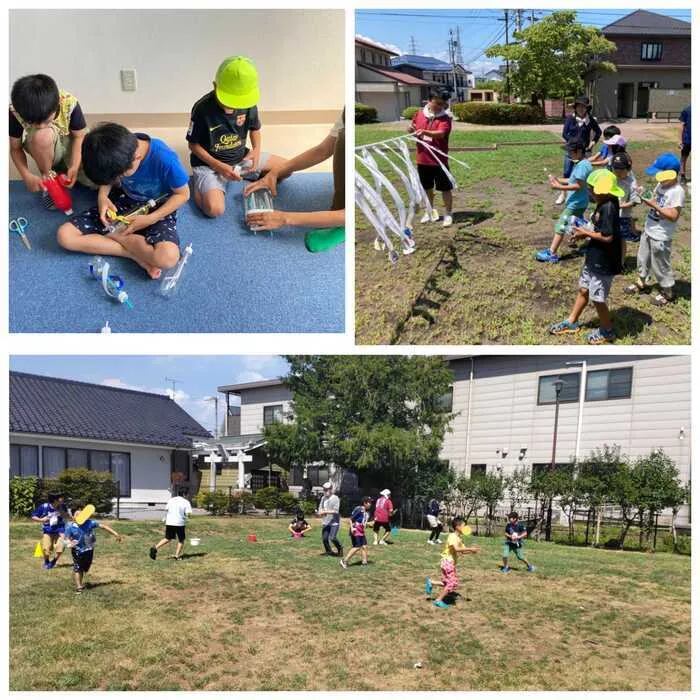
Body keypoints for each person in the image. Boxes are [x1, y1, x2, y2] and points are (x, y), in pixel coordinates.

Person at [56, 122, 190, 279]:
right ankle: (132, 254)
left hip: (157, 208)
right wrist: (102, 197)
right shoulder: (117, 148)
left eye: (119, 176)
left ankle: (118, 237)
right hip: (123, 201)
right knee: (65, 236)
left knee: (167, 258)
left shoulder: (165, 159)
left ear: (136, 158)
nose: (117, 179)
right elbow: (109, 179)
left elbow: (183, 194)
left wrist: (150, 219)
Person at [187, 56, 285, 218]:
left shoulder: (249, 104)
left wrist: (256, 151)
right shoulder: (202, 109)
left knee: (287, 168)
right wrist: (219, 166)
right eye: (228, 101)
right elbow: (193, 145)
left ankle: (250, 178)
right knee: (215, 210)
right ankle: (199, 187)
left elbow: (255, 129)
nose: (233, 107)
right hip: (210, 165)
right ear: (215, 86)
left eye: (238, 102)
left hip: (241, 159)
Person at [549, 169, 623, 344]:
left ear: (603, 190)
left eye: (592, 189)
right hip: (593, 256)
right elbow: (597, 229)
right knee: (583, 289)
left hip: (604, 261)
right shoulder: (602, 202)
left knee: (598, 298)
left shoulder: (609, 207)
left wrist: (585, 232)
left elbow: (608, 236)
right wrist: (584, 233)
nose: (589, 191)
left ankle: (607, 331)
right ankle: (572, 322)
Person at [243, 109, 345, 231]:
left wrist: (285, 218)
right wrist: (275, 172)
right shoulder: (347, 115)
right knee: (342, 138)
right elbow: (323, 150)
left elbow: (347, 214)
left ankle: (338, 224)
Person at [9, 74, 91, 206]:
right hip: (45, 146)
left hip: (71, 142)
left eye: (46, 120)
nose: (41, 126)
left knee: (94, 178)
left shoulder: (69, 103)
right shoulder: (16, 111)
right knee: (42, 135)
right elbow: (15, 148)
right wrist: (26, 175)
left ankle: (63, 171)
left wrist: (74, 166)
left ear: (57, 105)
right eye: (33, 123)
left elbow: (79, 137)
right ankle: (48, 177)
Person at [624, 153, 685, 307]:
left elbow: (673, 216)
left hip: (661, 236)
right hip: (649, 229)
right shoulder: (661, 185)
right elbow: (655, 200)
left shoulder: (677, 191)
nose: (657, 176)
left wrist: (654, 205)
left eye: (660, 173)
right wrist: (643, 194)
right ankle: (641, 282)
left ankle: (668, 292)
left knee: (660, 264)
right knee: (642, 258)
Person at [536, 139, 593, 262]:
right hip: (580, 202)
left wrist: (558, 187)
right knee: (577, 224)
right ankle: (591, 243)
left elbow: (578, 186)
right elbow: (573, 180)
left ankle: (552, 253)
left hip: (576, 203)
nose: (568, 154)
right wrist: (558, 179)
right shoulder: (582, 163)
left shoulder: (582, 166)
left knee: (561, 225)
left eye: (570, 152)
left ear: (578, 152)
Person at [409, 92, 454, 227]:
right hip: (422, 159)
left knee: (445, 188)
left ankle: (448, 213)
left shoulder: (445, 119)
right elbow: (412, 127)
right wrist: (410, 129)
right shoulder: (419, 114)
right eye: (438, 103)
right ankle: (429, 211)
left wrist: (425, 132)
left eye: (442, 104)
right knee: (427, 188)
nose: (440, 107)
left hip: (439, 160)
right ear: (430, 100)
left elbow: (440, 134)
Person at [63, 504, 123, 594]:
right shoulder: (70, 527)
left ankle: (81, 580)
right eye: (77, 515)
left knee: (85, 567)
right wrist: (69, 543)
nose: (80, 517)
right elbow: (66, 538)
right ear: (72, 517)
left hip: (89, 549)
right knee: (78, 568)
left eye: (82, 515)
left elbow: (103, 526)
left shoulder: (89, 523)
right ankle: (79, 587)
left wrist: (115, 534)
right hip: (77, 550)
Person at [425, 517, 480, 608]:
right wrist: (470, 548)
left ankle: (431, 582)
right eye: (464, 526)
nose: (465, 527)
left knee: (449, 582)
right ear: (458, 527)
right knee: (451, 583)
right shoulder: (452, 536)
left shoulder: (459, 538)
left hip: (450, 563)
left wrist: (472, 551)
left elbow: (462, 551)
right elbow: (456, 549)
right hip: (447, 562)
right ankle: (438, 600)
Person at [556, 96, 601, 205]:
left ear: (587, 108)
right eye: (579, 106)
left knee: (583, 173)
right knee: (567, 172)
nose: (581, 109)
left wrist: (593, 141)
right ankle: (563, 194)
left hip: (584, 152)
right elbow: (564, 133)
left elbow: (598, 132)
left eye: (583, 107)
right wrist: (572, 143)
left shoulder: (590, 120)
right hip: (571, 151)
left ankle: (586, 194)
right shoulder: (570, 118)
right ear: (575, 107)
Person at [611, 152, 640, 269]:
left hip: (623, 216)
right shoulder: (611, 178)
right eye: (615, 169)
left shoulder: (631, 182)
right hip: (610, 213)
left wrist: (622, 206)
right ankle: (610, 258)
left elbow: (635, 201)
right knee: (609, 237)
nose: (617, 172)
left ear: (628, 169)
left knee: (621, 239)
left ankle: (621, 262)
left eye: (620, 170)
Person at [149, 489, 193, 561]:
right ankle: (177, 556)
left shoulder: (171, 500)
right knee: (181, 539)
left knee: (167, 538)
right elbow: (188, 514)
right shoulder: (186, 502)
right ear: (185, 494)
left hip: (169, 522)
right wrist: (187, 516)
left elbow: (167, 509)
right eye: (187, 494)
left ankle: (155, 548)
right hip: (179, 523)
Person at [31, 492, 69, 569]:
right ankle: (46, 561)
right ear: (55, 500)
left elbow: (67, 516)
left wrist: (62, 512)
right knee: (46, 548)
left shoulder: (63, 506)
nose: (63, 499)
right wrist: (41, 519)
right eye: (61, 497)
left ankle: (54, 561)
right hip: (48, 530)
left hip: (60, 530)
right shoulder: (44, 506)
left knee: (60, 548)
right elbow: (33, 516)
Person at [340, 497, 372, 568]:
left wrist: (369, 524)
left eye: (370, 502)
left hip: (361, 531)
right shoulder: (360, 509)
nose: (370, 504)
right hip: (356, 530)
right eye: (369, 502)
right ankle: (344, 561)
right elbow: (351, 519)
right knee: (357, 547)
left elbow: (363, 522)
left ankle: (364, 563)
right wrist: (352, 528)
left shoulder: (367, 512)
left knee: (364, 546)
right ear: (365, 503)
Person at [318, 482, 343, 557]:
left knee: (332, 537)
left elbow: (336, 511)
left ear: (331, 489)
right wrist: (320, 512)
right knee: (324, 538)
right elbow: (320, 507)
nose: (325, 491)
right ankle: (329, 551)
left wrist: (325, 511)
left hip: (334, 522)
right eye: (324, 490)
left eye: (327, 490)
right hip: (326, 522)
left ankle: (340, 549)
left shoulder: (335, 498)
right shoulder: (323, 498)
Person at [679, 105, 690, 184]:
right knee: (683, 157)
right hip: (687, 139)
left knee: (683, 158)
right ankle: (682, 176)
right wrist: (681, 140)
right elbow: (682, 126)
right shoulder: (686, 110)